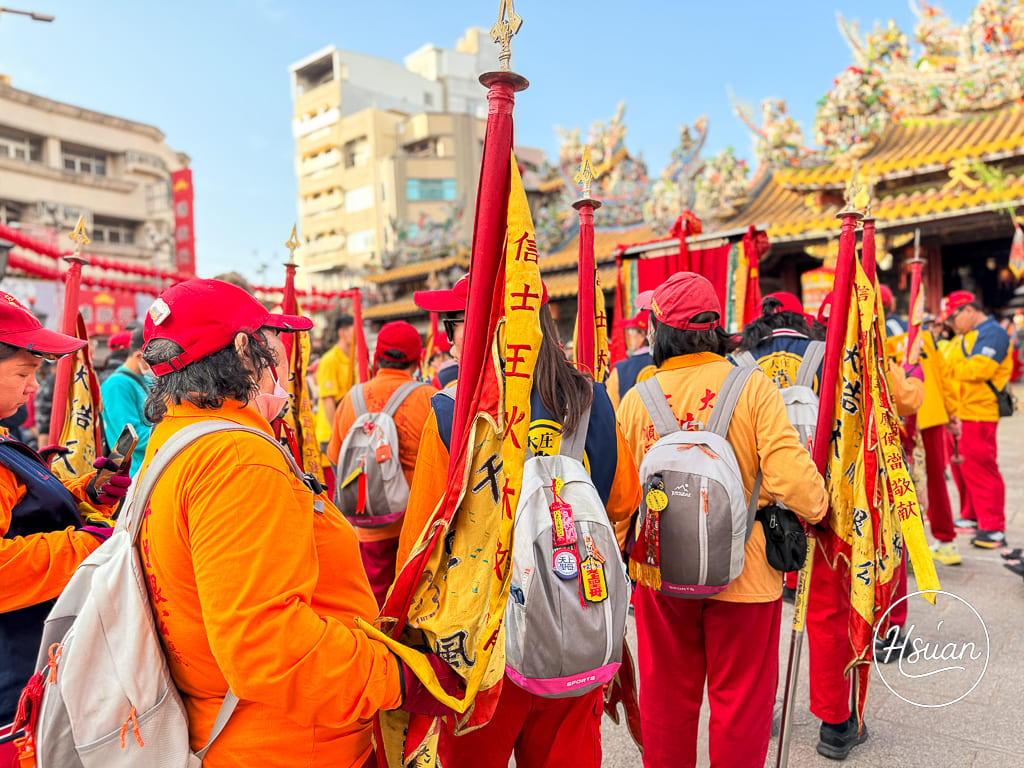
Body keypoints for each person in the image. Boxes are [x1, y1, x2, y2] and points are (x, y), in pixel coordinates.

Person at [136, 279, 460, 768]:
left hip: (240, 725)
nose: (287, 361)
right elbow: (268, 643)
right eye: (276, 342)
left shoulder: (176, 438)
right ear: (246, 350)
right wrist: (399, 678)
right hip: (288, 742)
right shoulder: (237, 460)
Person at [398, 295, 641, 768]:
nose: (451, 339)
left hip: (481, 646)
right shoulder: (591, 400)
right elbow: (623, 503)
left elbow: (421, 542)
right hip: (573, 621)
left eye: (455, 324)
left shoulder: (452, 412)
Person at [615, 272, 827, 768]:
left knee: (666, 696)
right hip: (746, 569)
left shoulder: (636, 399)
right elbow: (793, 478)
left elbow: (620, 500)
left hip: (659, 569)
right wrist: (819, 510)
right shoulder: (752, 387)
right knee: (742, 702)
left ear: (659, 332)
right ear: (714, 329)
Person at [0, 292, 128, 749]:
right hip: (13, 680)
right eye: (24, 373)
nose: (35, 387)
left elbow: (24, 518)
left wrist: (84, 496)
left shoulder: (5, 436)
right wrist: (87, 545)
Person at [327, 321, 434, 608]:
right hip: (418, 523)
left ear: (376, 360)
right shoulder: (428, 398)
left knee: (376, 607)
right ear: (418, 359)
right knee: (417, 606)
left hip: (370, 521)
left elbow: (336, 458)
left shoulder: (351, 399)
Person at [939, 290, 1012, 549]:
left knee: (981, 469)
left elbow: (979, 369)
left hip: (978, 412)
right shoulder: (965, 337)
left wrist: (944, 368)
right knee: (961, 468)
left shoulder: (993, 333)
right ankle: (971, 515)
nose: (951, 323)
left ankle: (993, 527)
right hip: (958, 412)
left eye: (953, 316)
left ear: (969, 310)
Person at [100, 325, 152, 477]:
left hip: (151, 466)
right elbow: (130, 438)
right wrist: (169, 434)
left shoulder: (148, 379)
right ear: (139, 356)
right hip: (135, 474)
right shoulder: (116, 385)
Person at [316, 313, 355, 456]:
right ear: (342, 333)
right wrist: (337, 434)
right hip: (332, 434)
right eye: (354, 331)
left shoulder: (354, 359)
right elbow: (327, 400)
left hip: (349, 432)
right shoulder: (329, 360)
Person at [606, 310, 655, 411]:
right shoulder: (668, 362)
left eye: (631, 331)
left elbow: (612, 412)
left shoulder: (620, 371)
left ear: (642, 334)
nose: (629, 336)